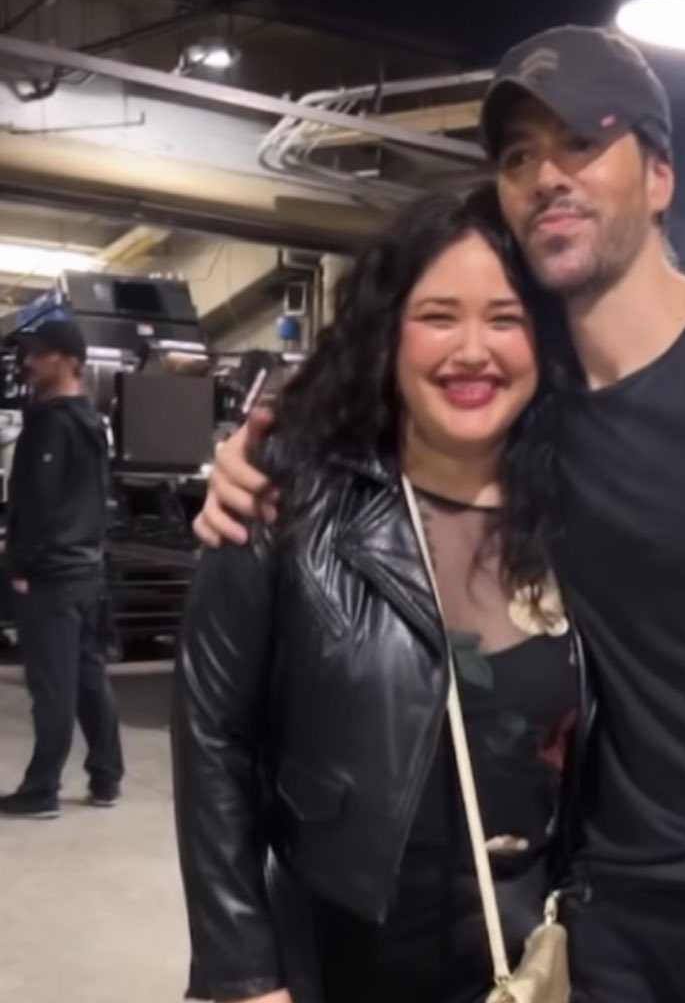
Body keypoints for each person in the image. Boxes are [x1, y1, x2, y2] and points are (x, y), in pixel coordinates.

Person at [194, 26, 685, 1003]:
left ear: (660, 176)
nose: (547, 175)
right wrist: (261, 445)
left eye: (582, 142)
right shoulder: (530, 409)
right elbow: (390, 401)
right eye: (518, 156)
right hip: (607, 914)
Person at [171, 187, 588, 1003]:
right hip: (340, 952)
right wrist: (243, 973)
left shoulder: (585, 516)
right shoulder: (284, 500)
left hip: (528, 950)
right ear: (388, 334)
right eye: (439, 316)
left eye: (505, 319)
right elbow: (213, 737)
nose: (473, 350)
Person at [0, 318, 123, 819]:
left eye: (40, 354)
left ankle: (41, 790)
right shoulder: (92, 424)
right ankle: (107, 778)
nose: (29, 363)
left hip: (51, 576)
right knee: (88, 680)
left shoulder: (52, 426)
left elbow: (39, 505)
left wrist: (21, 566)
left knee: (52, 687)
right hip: (85, 573)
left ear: (69, 361)